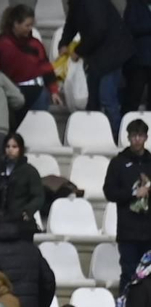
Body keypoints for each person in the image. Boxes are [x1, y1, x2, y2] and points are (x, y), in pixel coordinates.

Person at [60, 0, 132, 135]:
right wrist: (63, 43)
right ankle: (94, 134)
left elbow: (98, 30)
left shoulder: (92, 3)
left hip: (113, 54)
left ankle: (117, 136)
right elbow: (71, 24)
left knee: (107, 97)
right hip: (97, 56)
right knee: (93, 100)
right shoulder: (76, 4)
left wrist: (79, 51)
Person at [107, 120, 151, 289]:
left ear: (146, 137)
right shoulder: (118, 163)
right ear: (128, 137)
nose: (137, 139)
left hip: (148, 231)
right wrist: (133, 193)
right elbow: (109, 191)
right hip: (128, 232)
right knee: (129, 273)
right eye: (133, 136)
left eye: (140, 135)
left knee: (148, 276)